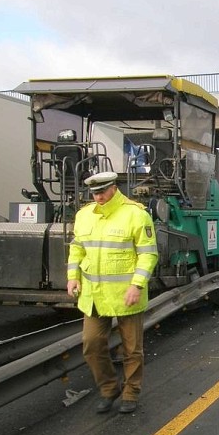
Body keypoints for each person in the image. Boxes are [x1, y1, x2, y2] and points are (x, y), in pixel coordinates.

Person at [66, 171, 158, 414]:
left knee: (132, 349)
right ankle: (109, 388)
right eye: (94, 193)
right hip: (94, 295)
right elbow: (77, 249)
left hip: (126, 295)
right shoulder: (84, 216)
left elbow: (148, 254)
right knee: (91, 344)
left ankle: (131, 392)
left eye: (102, 192)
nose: (98, 197)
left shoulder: (135, 214)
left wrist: (136, 285)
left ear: (114, 188)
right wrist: (72, 277)